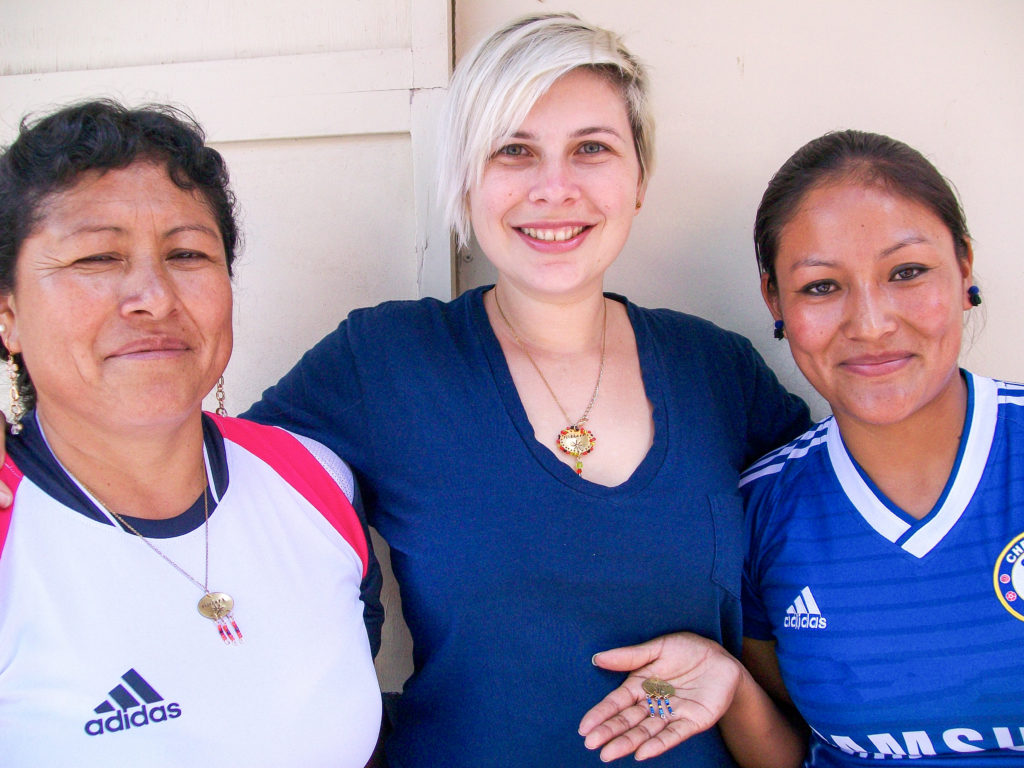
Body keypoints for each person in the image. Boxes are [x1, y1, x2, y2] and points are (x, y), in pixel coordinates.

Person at [243, 14, 808, 767]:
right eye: (513, 150)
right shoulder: (387, 360)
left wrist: (733, 684)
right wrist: (27, 453)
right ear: (466, 181)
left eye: (592, 149)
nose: (554, 188)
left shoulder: (719, 372)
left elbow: (832, 588)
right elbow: (206, 491)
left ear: (638, 178)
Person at [579, 129, 1024, 765]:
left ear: (964, 268)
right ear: (774, 299)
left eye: (908, 272)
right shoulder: (761, 514)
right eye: (821, 286)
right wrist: (733, 692)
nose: (870, 324)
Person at [0, 100, 384, 766]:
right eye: (96, 258)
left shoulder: (312, 479)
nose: (153, 295)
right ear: (7, 313)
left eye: (187, 253)